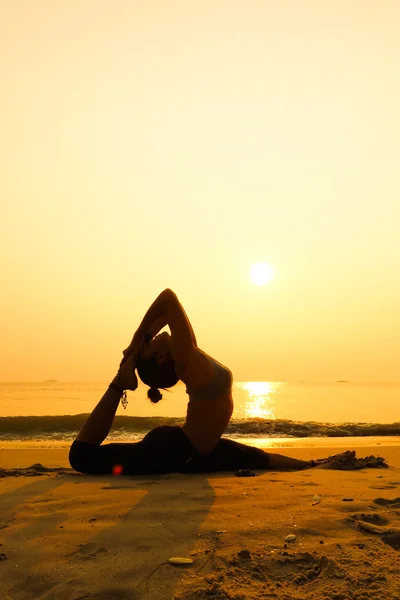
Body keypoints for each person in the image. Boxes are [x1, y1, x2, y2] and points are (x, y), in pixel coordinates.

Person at [69, 288, 317, 475]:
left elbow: (167, 314)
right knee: (82, 457)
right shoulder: (185, 358)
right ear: (163, 356)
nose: (155, 336)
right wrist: (136, 343)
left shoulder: (189, 354)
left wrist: (140, 346)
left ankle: (316, 464)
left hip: (195, 448)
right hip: (174, 451)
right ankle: (118, 385)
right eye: (151, 342)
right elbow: (168, 298)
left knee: (260, 458)